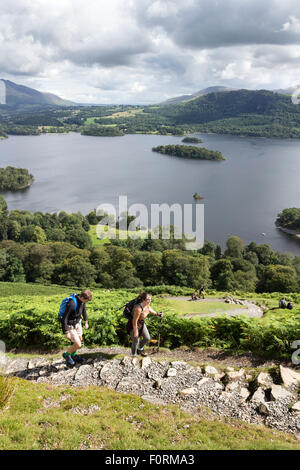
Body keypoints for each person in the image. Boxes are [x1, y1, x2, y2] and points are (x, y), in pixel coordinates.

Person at [61, 289, 92, 366]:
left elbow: (83, 310)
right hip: (70, 325)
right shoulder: (72, 304)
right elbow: (64, 318)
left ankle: (73, 355)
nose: (86, 302)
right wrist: (66, 332)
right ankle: (66, 355)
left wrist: (86, 321)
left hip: (78, 323)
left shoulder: (82, 302)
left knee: (80, 339)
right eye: (86, 300)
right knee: (78, 344)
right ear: (82, 297)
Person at [126, 291, 162, 358]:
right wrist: (136, 331)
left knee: (147, 338)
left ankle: (140, 349)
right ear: (143, 300)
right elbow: (134, 320)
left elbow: (149, 309)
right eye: (148, 299)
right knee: (136, 340)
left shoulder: (147, 305)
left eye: (150, 299)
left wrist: (157, 314)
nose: (150, 300)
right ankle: (133, 355)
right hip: (133, 324)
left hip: (141, 323)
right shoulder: (138, 308)